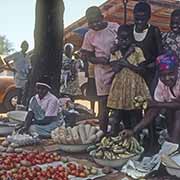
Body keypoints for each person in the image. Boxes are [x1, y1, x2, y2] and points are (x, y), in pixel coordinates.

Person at [121, 52, 180, 144]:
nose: (167, 78)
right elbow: (153, 110)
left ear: (177, 70)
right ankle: (174, 146)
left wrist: (156, 104)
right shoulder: (161, 84)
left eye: (171, 73)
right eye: (163, 75)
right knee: (170, 111)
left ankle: (174, 144)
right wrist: (133, 130)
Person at [81, 6, 119, 134]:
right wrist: (98, 60)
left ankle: (116, 130)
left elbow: (125, 42)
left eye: (97, 21)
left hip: (117, 69)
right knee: (103, 103)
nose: (95, 25)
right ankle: (102, 133)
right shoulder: (89, 34)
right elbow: (86, 54)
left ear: (102, 17)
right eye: (91, 23)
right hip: (101, 71)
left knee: (119, 102)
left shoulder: (114, 28)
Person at [107, 25, 151, 136]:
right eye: (121, 39)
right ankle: (114, 140)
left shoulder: (137, 51)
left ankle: (136, 140)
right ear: (117, 38)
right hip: (119, 87)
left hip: (134, 86)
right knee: (117, 115)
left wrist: (130, 66)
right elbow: (116, 69)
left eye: (127, 38)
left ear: (132, 38)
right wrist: (126, 55)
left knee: (135, 114)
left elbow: (143, 70)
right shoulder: (114, 52)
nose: (124, 41)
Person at [130, 2, 162, 94]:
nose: (139, 21)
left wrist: (150, 66)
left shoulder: (154, 31)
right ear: (133, 15)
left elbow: (160, 54)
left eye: (143, 19)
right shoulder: (128, 30)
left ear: (149, 17)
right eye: (137, 18)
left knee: (148, 102)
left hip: (149, 74)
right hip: (132, 74)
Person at [4, 40, 31, 105]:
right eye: (24, 46)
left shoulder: (27, 56)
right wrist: (11, 68)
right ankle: (18, 105)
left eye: (27, 46)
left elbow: (29, 66)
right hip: (18, 76)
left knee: (25, 93)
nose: (26, 48)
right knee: (19, 92)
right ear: (21, 46)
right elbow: (6, 59)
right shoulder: (17, 54)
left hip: (25, 76)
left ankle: (22, 105)